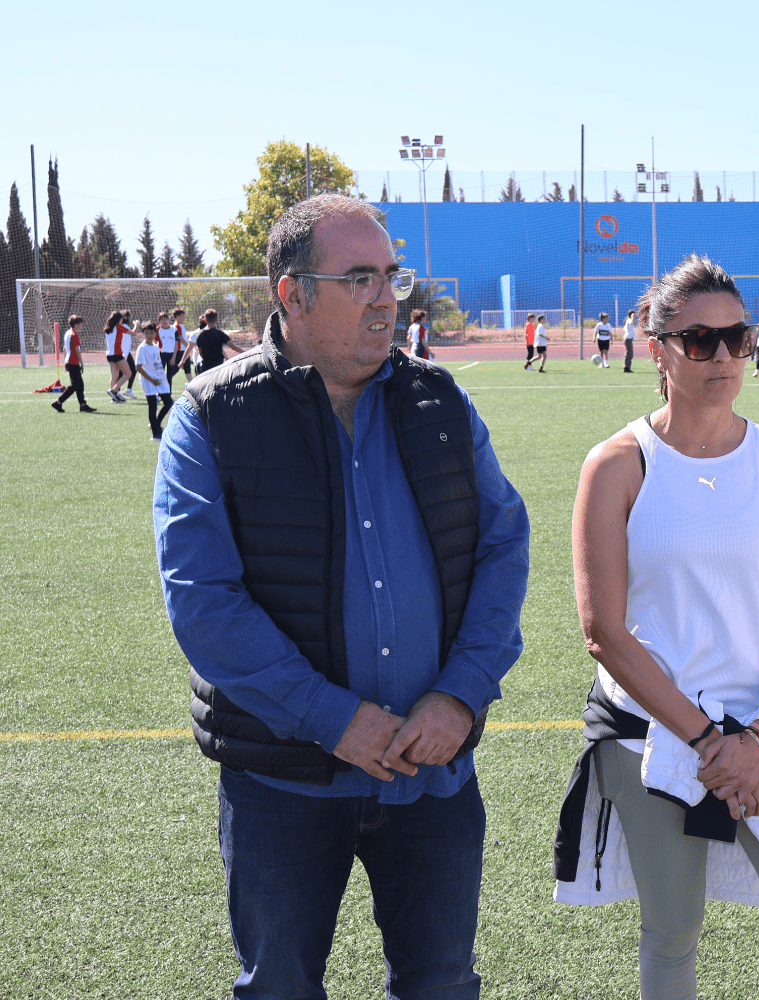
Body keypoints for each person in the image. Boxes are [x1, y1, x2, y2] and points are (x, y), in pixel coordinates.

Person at [154, 193, 531, 999]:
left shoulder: (441, 402)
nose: (387, 298)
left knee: (441, 985)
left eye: (392, 276)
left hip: (434, 775)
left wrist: (460, 695)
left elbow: (503, 547)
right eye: (360, 278)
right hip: (282, 783)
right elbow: (203, 601)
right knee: (280, 987)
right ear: (293, 294)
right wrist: (336, 720)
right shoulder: (212, 416)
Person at [556, 254, 759, 999]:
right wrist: (705, 740)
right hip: (651, 735)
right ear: (657, 349)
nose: (722, 356)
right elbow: (604, 632)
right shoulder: (617, 464)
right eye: (698, 340)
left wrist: (758, 739)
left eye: (736, 337)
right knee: (671, 934)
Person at [51, 315, 96, 413]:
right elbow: (77, 351)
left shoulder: (67, 333)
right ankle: (59, 402)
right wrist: (81, 363)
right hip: (73, 362)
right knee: (75, 385)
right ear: (76, 324)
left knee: (79, 384)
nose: (82, 325)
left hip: (69, 361)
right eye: (81, 324)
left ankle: (83, 405)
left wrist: (65, 361)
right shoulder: (74, 335)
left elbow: (64, 349)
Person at [134, 321, 171, 439]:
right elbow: (138, 367)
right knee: (153, 405)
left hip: (159, 380)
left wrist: (161, 376)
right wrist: (151, 379)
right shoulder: (142, 348)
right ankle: (155, 433)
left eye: (151, 332)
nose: (149, 335)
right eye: (146, 333)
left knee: (168, 402)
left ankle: (156, 424)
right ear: (143, 334)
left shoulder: (155, 346)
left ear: (155, 333)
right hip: (148, 380)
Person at [191, 309, 241, 374]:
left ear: (205, 320)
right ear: (216, 320)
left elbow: (200, 352)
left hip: (206, 367)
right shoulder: (219, 334)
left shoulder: (201, 335)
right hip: (218, 366)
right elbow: (233, 347)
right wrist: (245, 353)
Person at [103, 310, 132, 402]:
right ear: (119, 319)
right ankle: (114, 390)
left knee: (114, 375)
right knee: (128, 373)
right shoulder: (119, 327)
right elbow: (134, 333)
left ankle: (114, 397)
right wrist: (137, 325)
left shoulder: (107, 329)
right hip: (117, 354)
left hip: (109, 354)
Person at [157, 310, 182, 391]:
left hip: (171, 354)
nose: (164, 321)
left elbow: (176, 345)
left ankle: (168, 392)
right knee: (160, 374)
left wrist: (174, 357)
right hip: (161, 354)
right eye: (162, 319)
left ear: (169, 320)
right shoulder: (158, 329)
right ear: (159, 321)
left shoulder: (174, 329)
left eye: (166, 319)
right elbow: (155, 342)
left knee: (169, 375)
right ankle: (159, 392)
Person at [622, 308, 637, 373]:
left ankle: (627, 367)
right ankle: (626, 367)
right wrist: (632, 317)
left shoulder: (628, 319)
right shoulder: (629, 320)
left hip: (629, 338)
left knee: (630, 353)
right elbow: (632, 322)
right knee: (629, 353)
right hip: (628, 338)